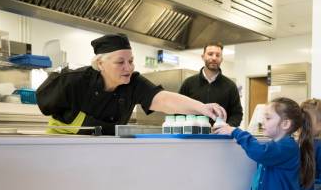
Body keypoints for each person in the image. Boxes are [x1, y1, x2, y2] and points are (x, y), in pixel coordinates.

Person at [36, 34, 226, 135]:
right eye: (120, 62)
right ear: (100, 63)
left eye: (131, 61)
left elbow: (164, 99)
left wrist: (202, 108)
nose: (128, 67)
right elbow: (44, 99)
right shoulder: (75, 80)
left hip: (107, 147)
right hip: (64, 145)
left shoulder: (133, 83)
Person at [179, 41, 243, 126]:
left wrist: (228, 127)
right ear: (203, 57)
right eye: (210, 54)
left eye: (218, 55)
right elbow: (179, 109)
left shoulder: (230, 86)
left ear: (222, 59)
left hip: (220, 136)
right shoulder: (189, 83)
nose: (214, 58)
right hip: (192, 136)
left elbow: (237, 114)